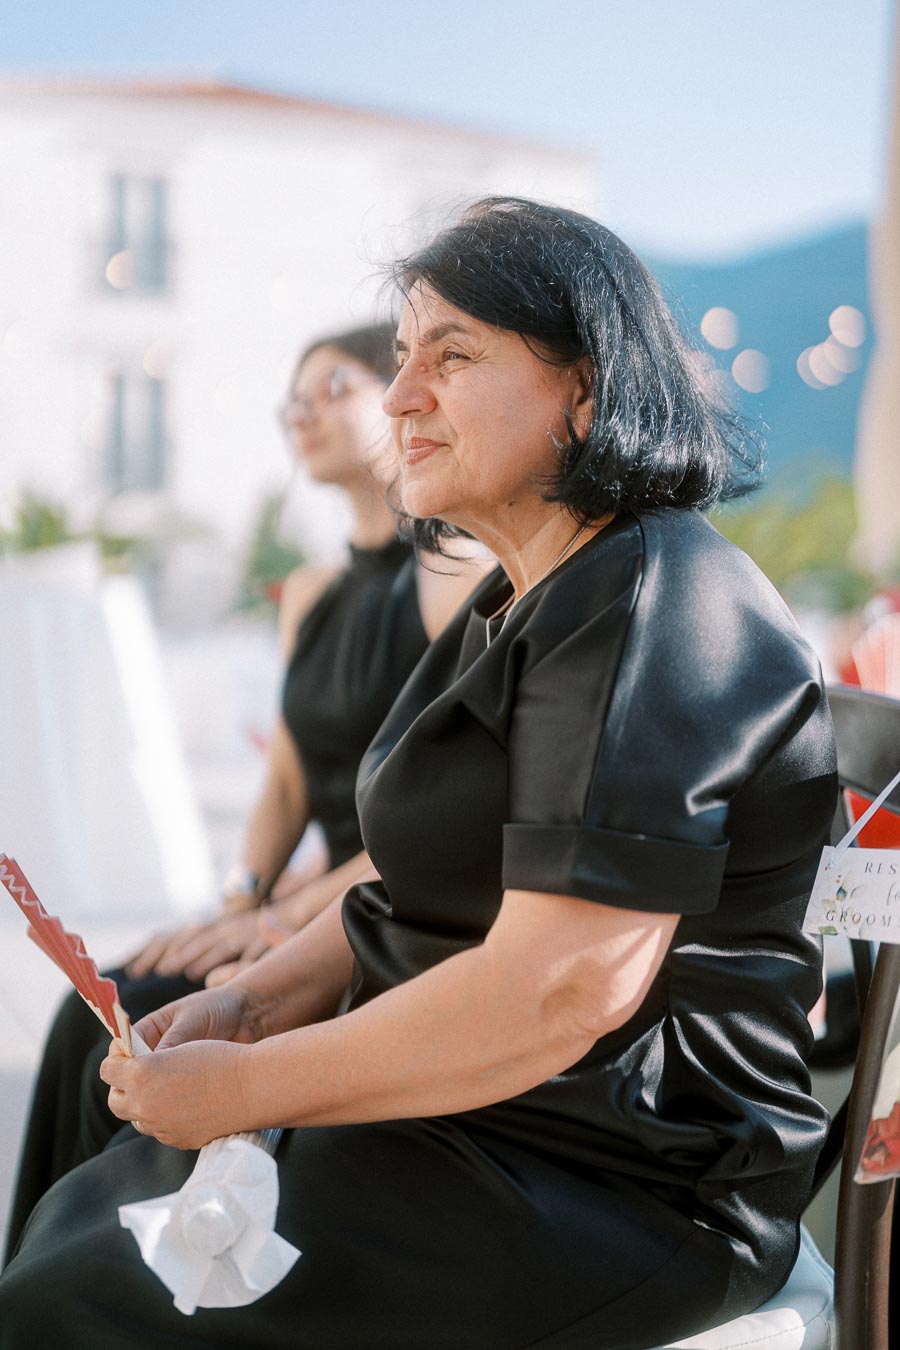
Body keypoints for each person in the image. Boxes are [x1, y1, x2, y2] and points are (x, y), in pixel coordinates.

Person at [0, 198, 837, 1350]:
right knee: (86, 1217)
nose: (400, 399)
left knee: (82, 1298)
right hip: (484, 1123)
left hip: (623, 1181)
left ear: (583, 390)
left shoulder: (659, 601)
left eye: (452, 357)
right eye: (401, 359)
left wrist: (252, 1086)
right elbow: (408, 882)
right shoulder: (521, 599)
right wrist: (250, 1003)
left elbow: (563, 990)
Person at [2, 320, 489, 1264]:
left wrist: (280, 927)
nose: (301, 412)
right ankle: (51, 1263)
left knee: (144, 1019)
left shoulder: (449, 579)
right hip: (301, 905)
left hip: (375, 905)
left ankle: (119, 1272)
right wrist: (238, 900)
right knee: (93, 1017)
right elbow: (286, 781)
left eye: (332, 387)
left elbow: (441, 818)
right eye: (290, 400)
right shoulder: (309, 591)